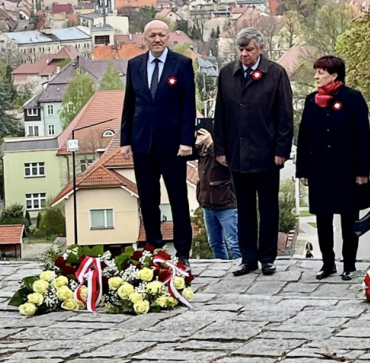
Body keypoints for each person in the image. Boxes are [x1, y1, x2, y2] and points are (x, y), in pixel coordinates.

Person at [214, 28, 293, 276]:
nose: (244, 54)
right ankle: (248, 258)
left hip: (267, 154)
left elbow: (285, 115)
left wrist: (282, 149)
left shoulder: (275, 74)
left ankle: (267, 257)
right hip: (237, 153)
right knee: (244, 209)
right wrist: (220, 149)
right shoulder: (227, 73)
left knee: (268, 208)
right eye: (241, 50)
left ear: (260, 48)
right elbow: (221, 114)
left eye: (249, 49)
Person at [120, 20, 196, 266]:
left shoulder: (182, 64)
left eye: (161, 35)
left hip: (173, 145)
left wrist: (187, 141)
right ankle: (153, 246)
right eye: (152, 35)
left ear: (169, 37)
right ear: (144, 38)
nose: (157, 39)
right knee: (148, 199)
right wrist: (125, 141)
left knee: (178, 198)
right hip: (142, 143)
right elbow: (129, 105)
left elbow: (188, 105)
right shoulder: (134, 65)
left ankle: (183, 251)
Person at [297, 55, 370, 280]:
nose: (316, 76)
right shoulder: (311, 101)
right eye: (316, 71)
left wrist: (362, 171)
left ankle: (349, 264)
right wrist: (303, 170)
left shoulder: (353, 98)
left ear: (334, 74)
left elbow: (362, 136)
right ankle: (327, 263)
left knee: (349, 219)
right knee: (323, 218)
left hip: (346, 170)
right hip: (319, 169)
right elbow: (304, 137)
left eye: (321, 72)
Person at [193, 128, 240, 260]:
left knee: (234, 243)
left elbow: (230, 163)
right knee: (215, 243)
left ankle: (242, 268)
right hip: (207, 203)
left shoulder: (227, 144)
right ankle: (221, 269)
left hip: (226, 204)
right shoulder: (202, 146)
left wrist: (210, 144)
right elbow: (189, 153)